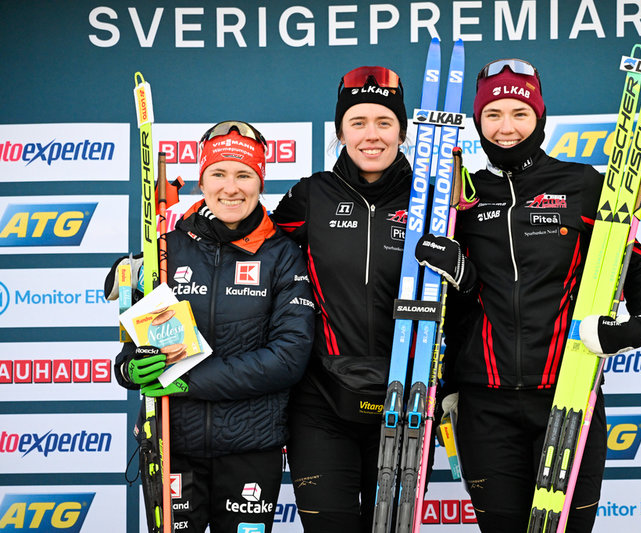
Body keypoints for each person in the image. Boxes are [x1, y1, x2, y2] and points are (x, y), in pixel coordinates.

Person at [415, 59, 641, 532]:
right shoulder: (460, 198)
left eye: (518, 113)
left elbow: (632, 261)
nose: (505, 127)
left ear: (540, 117)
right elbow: (454, 299)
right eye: (492, 114)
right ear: (478, 120)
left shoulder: (583, 186)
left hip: (567, 391)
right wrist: (447, 383)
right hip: (484, 404)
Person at [107, 121, 314, 533]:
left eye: (244, 175)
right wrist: (130, 370)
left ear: (260, 182)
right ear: (202, 181)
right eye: (218, 174)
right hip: (173, 444)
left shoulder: (283, 255)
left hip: (251, 447)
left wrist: (188, 380)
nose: (231, 188)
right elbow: (135, 350)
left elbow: (288, 359)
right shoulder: (164, 249)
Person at [269, 66, 413, 532]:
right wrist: (165, 252)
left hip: (405, 396)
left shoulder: (433, 197)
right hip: (322, 398)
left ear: (402, 130)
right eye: (358, 122)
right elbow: (245, 246)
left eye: (384, 122)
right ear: (339, 131)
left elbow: (482, 279)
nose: (371, 135)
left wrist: (463, 271)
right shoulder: (313, 195)